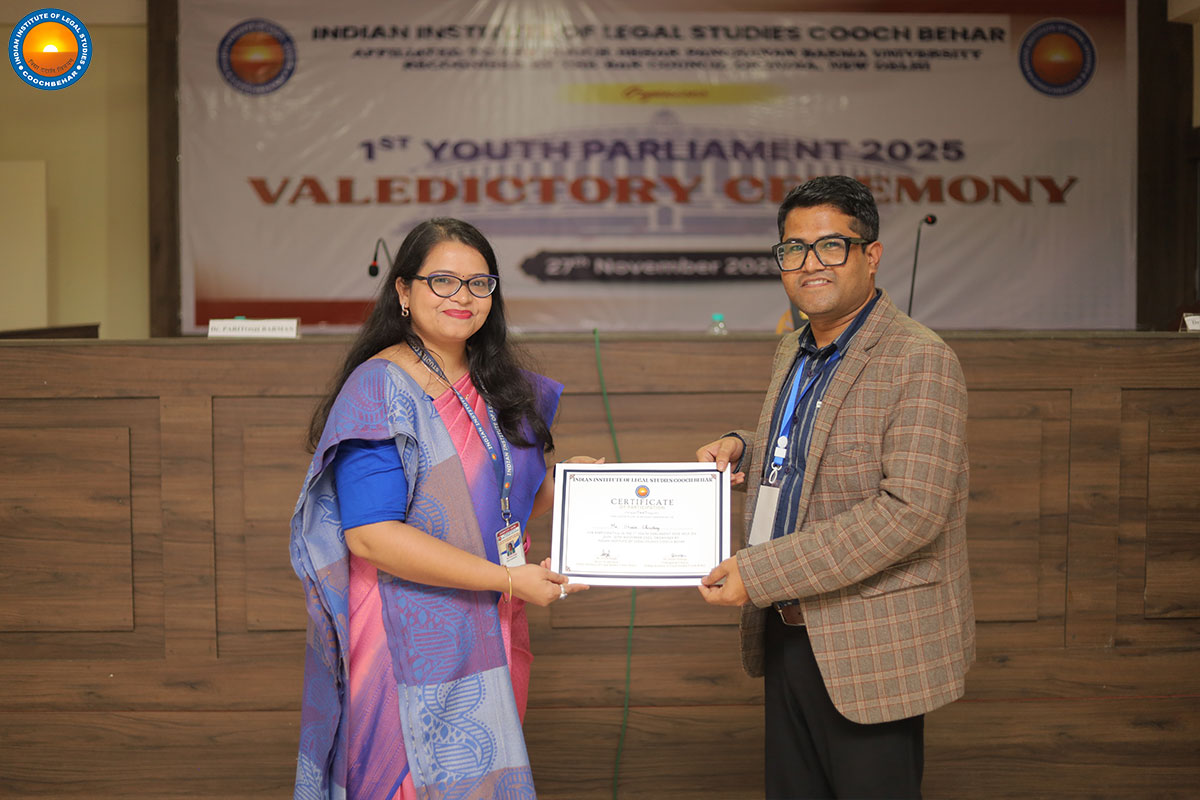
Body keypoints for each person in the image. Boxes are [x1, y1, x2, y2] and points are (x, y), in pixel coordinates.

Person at [291, 218, 593, 800]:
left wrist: (582, 488)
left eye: (480, 284)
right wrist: (509, 579)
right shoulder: (379, 388)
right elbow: (372, 536)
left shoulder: (499, 384)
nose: (463, 297)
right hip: (405, 632)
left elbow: (511, 495)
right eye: (443, 281)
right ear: (404, 290)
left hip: (492, 615)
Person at [695, 176, 974, 799]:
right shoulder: (794, 349)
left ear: (871, 255)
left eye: (830, 245)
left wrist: (759, 573)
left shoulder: (918, 358)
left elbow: (909, 511)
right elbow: (815, 445)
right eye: (793, 248)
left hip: (870, 642)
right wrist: (745, 446)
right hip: (786, 630)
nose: (809, 263)